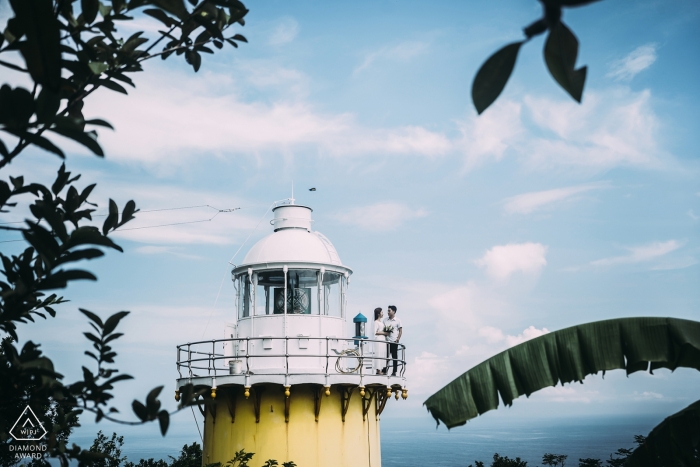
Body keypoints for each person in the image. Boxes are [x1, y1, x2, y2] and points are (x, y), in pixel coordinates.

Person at [383, 305, 402, 376]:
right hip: (386, 341)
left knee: (394, 357)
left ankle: (394, 371)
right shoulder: (385, 320)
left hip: (394, 341)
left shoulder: (398, 320)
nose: (387, 312)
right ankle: (385, 370)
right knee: (386, 356)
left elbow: (400, 331)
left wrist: (398, 339)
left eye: (389, 310)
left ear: (393, 311)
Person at [373, 307, 388, 375]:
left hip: (382, 339)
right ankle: (378, 370)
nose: (383, 313)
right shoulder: (376, 322)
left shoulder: (381, 322)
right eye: (382, 312)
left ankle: (380, 369)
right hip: (379, 339)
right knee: (378, 353)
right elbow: (375, 332)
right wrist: (384, 333)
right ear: (378, 314)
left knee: (382, 353)